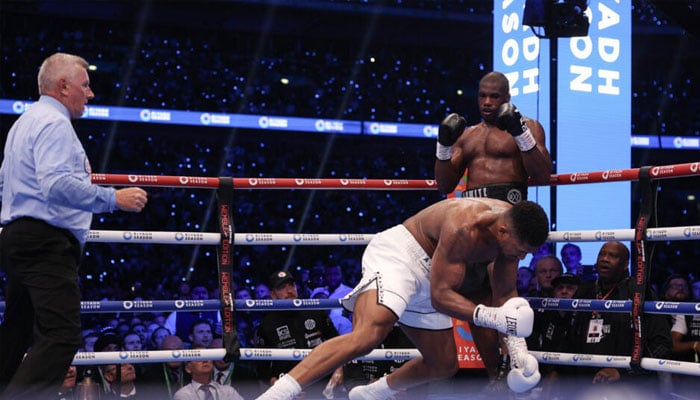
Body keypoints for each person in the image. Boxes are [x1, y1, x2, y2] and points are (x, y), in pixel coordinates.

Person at [256, 198, 549, 400]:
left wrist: (518, 348)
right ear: (502, 230)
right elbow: (440, 297)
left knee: (444, 363)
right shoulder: (464, 226)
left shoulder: (511, 233)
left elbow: (506, 295)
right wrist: (492, 316)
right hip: (402, 257)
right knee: (369, 335)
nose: (522, 257)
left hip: (434, 272)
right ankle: (276, 395)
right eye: (521, 249)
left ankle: (372, 393)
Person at [0, 52, 148, 399]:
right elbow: (54, 185)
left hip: (20, 236)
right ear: (63, 86)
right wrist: (114, 199)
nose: (91, 93)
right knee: (62, 334)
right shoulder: (54, 123)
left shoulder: (25, 121)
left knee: (17, 331)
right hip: (44, 241)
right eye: (85, 85)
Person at [568, 241, 672, 397]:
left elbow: (662, 343)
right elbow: (571, 338)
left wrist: (624, 371)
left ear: (625, 265)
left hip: (632, 388)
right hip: (587, 384)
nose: (605, 259)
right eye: (602, 254)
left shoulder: (639, 292)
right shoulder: (585, 290)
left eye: (612, 256)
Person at [434, 71, 551, 203]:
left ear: (507, 98)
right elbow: (444, 186)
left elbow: (543, 176)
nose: (487, 102)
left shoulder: (529, 127)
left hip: (507, 210)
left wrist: (521, 134)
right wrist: (443, 146)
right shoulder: (467, 136)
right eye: (482, 96)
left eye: (494, 97)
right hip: (472, 212)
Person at [255, 270, 343, 398]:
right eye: (282, 287)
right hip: (288, 386)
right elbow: (262, 368)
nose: (289, 290)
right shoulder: (266, 324)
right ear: (273, 294)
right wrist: (279, 386)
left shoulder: (314, 311)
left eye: (291, 285)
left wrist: (339, 369)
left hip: (322, 384)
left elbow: (337, 343)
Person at [526, 273, 580, 399]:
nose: (564, 292)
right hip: (542, 376)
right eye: (560, 288)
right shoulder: (543, 316)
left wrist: (555, 373)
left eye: (570, 288)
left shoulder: (583, 318)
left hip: (574, 380)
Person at [173, 352, 244, 400]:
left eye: (208, 357)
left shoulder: (228, 392)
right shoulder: (183, 395)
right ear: (188, 368)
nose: (205, 361)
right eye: (199, 359)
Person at [325, 264, 354, 334]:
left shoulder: (350, 292)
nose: (332, 278)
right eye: (329, 275)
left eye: (335, 274)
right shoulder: (319, 291)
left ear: (341, 275)